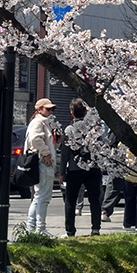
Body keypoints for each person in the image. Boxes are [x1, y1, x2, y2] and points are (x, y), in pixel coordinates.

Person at [60, 99, 103, 237]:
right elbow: (101, 148)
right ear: (86, 112)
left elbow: (65, 154)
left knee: (70, 200)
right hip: (93, 168)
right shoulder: (95, 128)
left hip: (74, 168)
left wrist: (61, 173)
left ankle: (70, 230)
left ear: (72, 113)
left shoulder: (69, 129)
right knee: (94, 199)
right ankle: (95, 228)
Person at [23, 98, 58, 234]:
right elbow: (35, 139)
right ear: (39, 109)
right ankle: (40, 228)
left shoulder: (43, 122)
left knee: (39, 196)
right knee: (43, 197)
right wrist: (47, 153)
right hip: (42, 162)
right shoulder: (38, 122)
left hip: (41, 161)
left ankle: (31, 228)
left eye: (52, 109)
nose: (50, 112)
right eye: (48, 109)